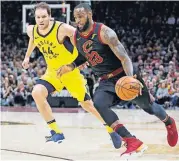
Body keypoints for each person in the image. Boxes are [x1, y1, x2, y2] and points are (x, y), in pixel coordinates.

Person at [58, 3, 178, 156]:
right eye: (75, 18)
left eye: (80, 17)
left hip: (123, 74)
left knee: (150, 107)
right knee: (99, 104)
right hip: (106, 81)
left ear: (89, 14)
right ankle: (132, 141)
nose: (78, 21)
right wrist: (71, 65)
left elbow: (125, 58)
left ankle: (169, 122)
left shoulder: (105, 33)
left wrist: (130, 79)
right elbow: (84, 55)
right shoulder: (76, 37)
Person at [22, 2, 121, 148]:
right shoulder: (32, 29)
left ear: (50, 17)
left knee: (88, 105)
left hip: (70, 71)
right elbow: (33, 39)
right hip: (53, 72)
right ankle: (56, 132)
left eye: (44, 16)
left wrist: (83, 56)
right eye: (38, 17)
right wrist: (27, 57)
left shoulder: (62, 29)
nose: (41, 20)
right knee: (37, 93)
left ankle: (111, 129)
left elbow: (82, 36)